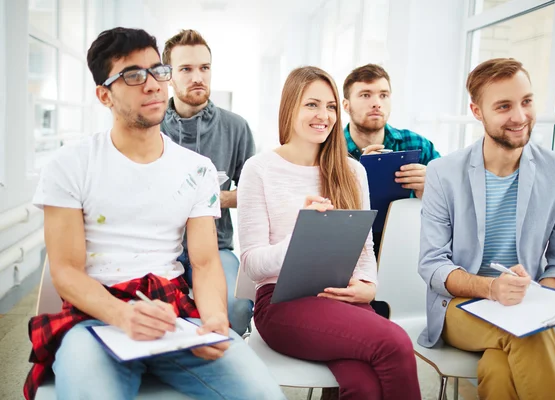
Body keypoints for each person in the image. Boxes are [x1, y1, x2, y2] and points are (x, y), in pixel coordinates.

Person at [23, 27, 284, 400]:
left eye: (157, 71)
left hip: (174, 314)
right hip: (94, 317)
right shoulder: (70, 165)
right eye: (132, 75)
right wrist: (121, 315)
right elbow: (65, 271)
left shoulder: (198, 169)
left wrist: (213, 319)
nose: (152, 85)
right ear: (104, 95)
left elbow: (207, 262)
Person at [237, 66, 421, 400]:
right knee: (395, 343)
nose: (324, 115)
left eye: (331, 106)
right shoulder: (259, 169)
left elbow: (364, 247)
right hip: (281, 301)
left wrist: (368, 286)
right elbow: (252, 264)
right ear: (290, 107)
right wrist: (300, 235)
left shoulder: (352, 170)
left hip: (341, 296)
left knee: (365, 384)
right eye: (312, 105)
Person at [418, 58, 555, 400]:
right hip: (459, 306)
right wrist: (492, 288)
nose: (520, 117)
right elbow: (433, 265)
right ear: (477, 112)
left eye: (526, 101)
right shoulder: (442, 172)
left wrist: (543, 296)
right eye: (504, 106)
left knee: (497, 366)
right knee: (531, 333)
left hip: (522, 304)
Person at [160, 29, 254, 336]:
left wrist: (218, 198)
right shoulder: (151, 126)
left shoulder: (236, 127)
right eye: (186, 69)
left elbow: (254, 192)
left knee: (238, 305)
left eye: (204, 68)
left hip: (217, 247)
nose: (197, 76)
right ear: (168, 76)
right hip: (161, 250)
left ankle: (226, 363)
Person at [342, 64, 441, 257]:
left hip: (406, 248)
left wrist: (432, 187)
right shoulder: (329, 151)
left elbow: (454, 201)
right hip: (346, 248)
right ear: (346, 105)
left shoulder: (417, 145)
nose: (376, 103)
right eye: (365, 95)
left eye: (383, 95)